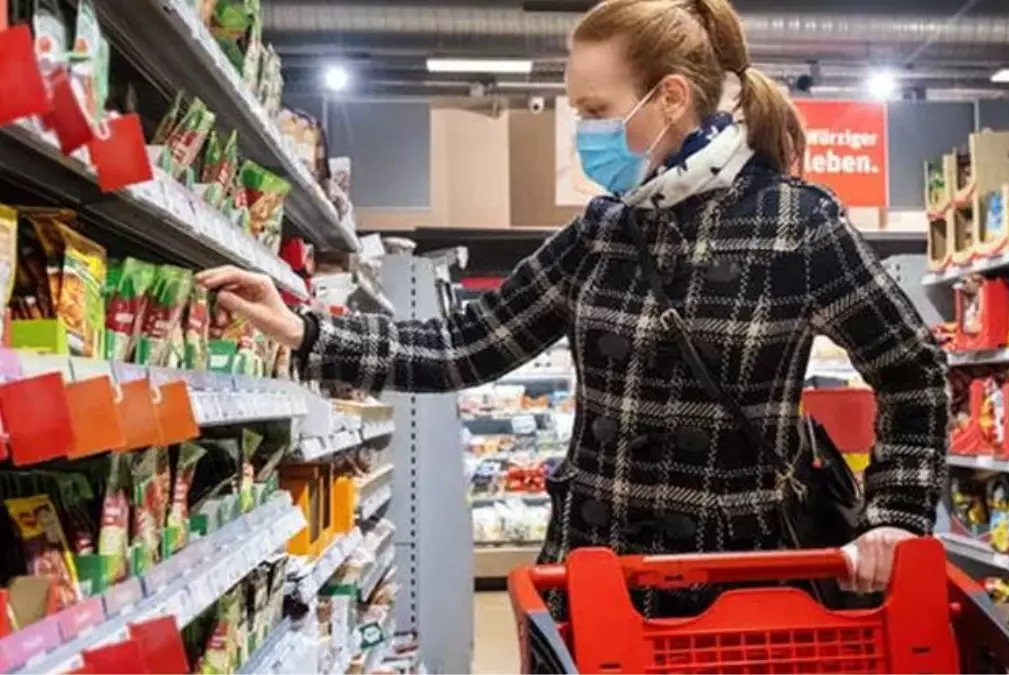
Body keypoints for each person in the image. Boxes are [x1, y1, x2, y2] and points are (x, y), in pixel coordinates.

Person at [198, 0, 948, 617]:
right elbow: (465, 343)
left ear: (670, 99)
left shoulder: (797, 224)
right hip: (595, 585)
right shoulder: (602, 232)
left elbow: (913, 370)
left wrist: (896, 515)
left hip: (739, 593)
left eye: (594, 108)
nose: (581, 130)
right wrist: (307, 329)